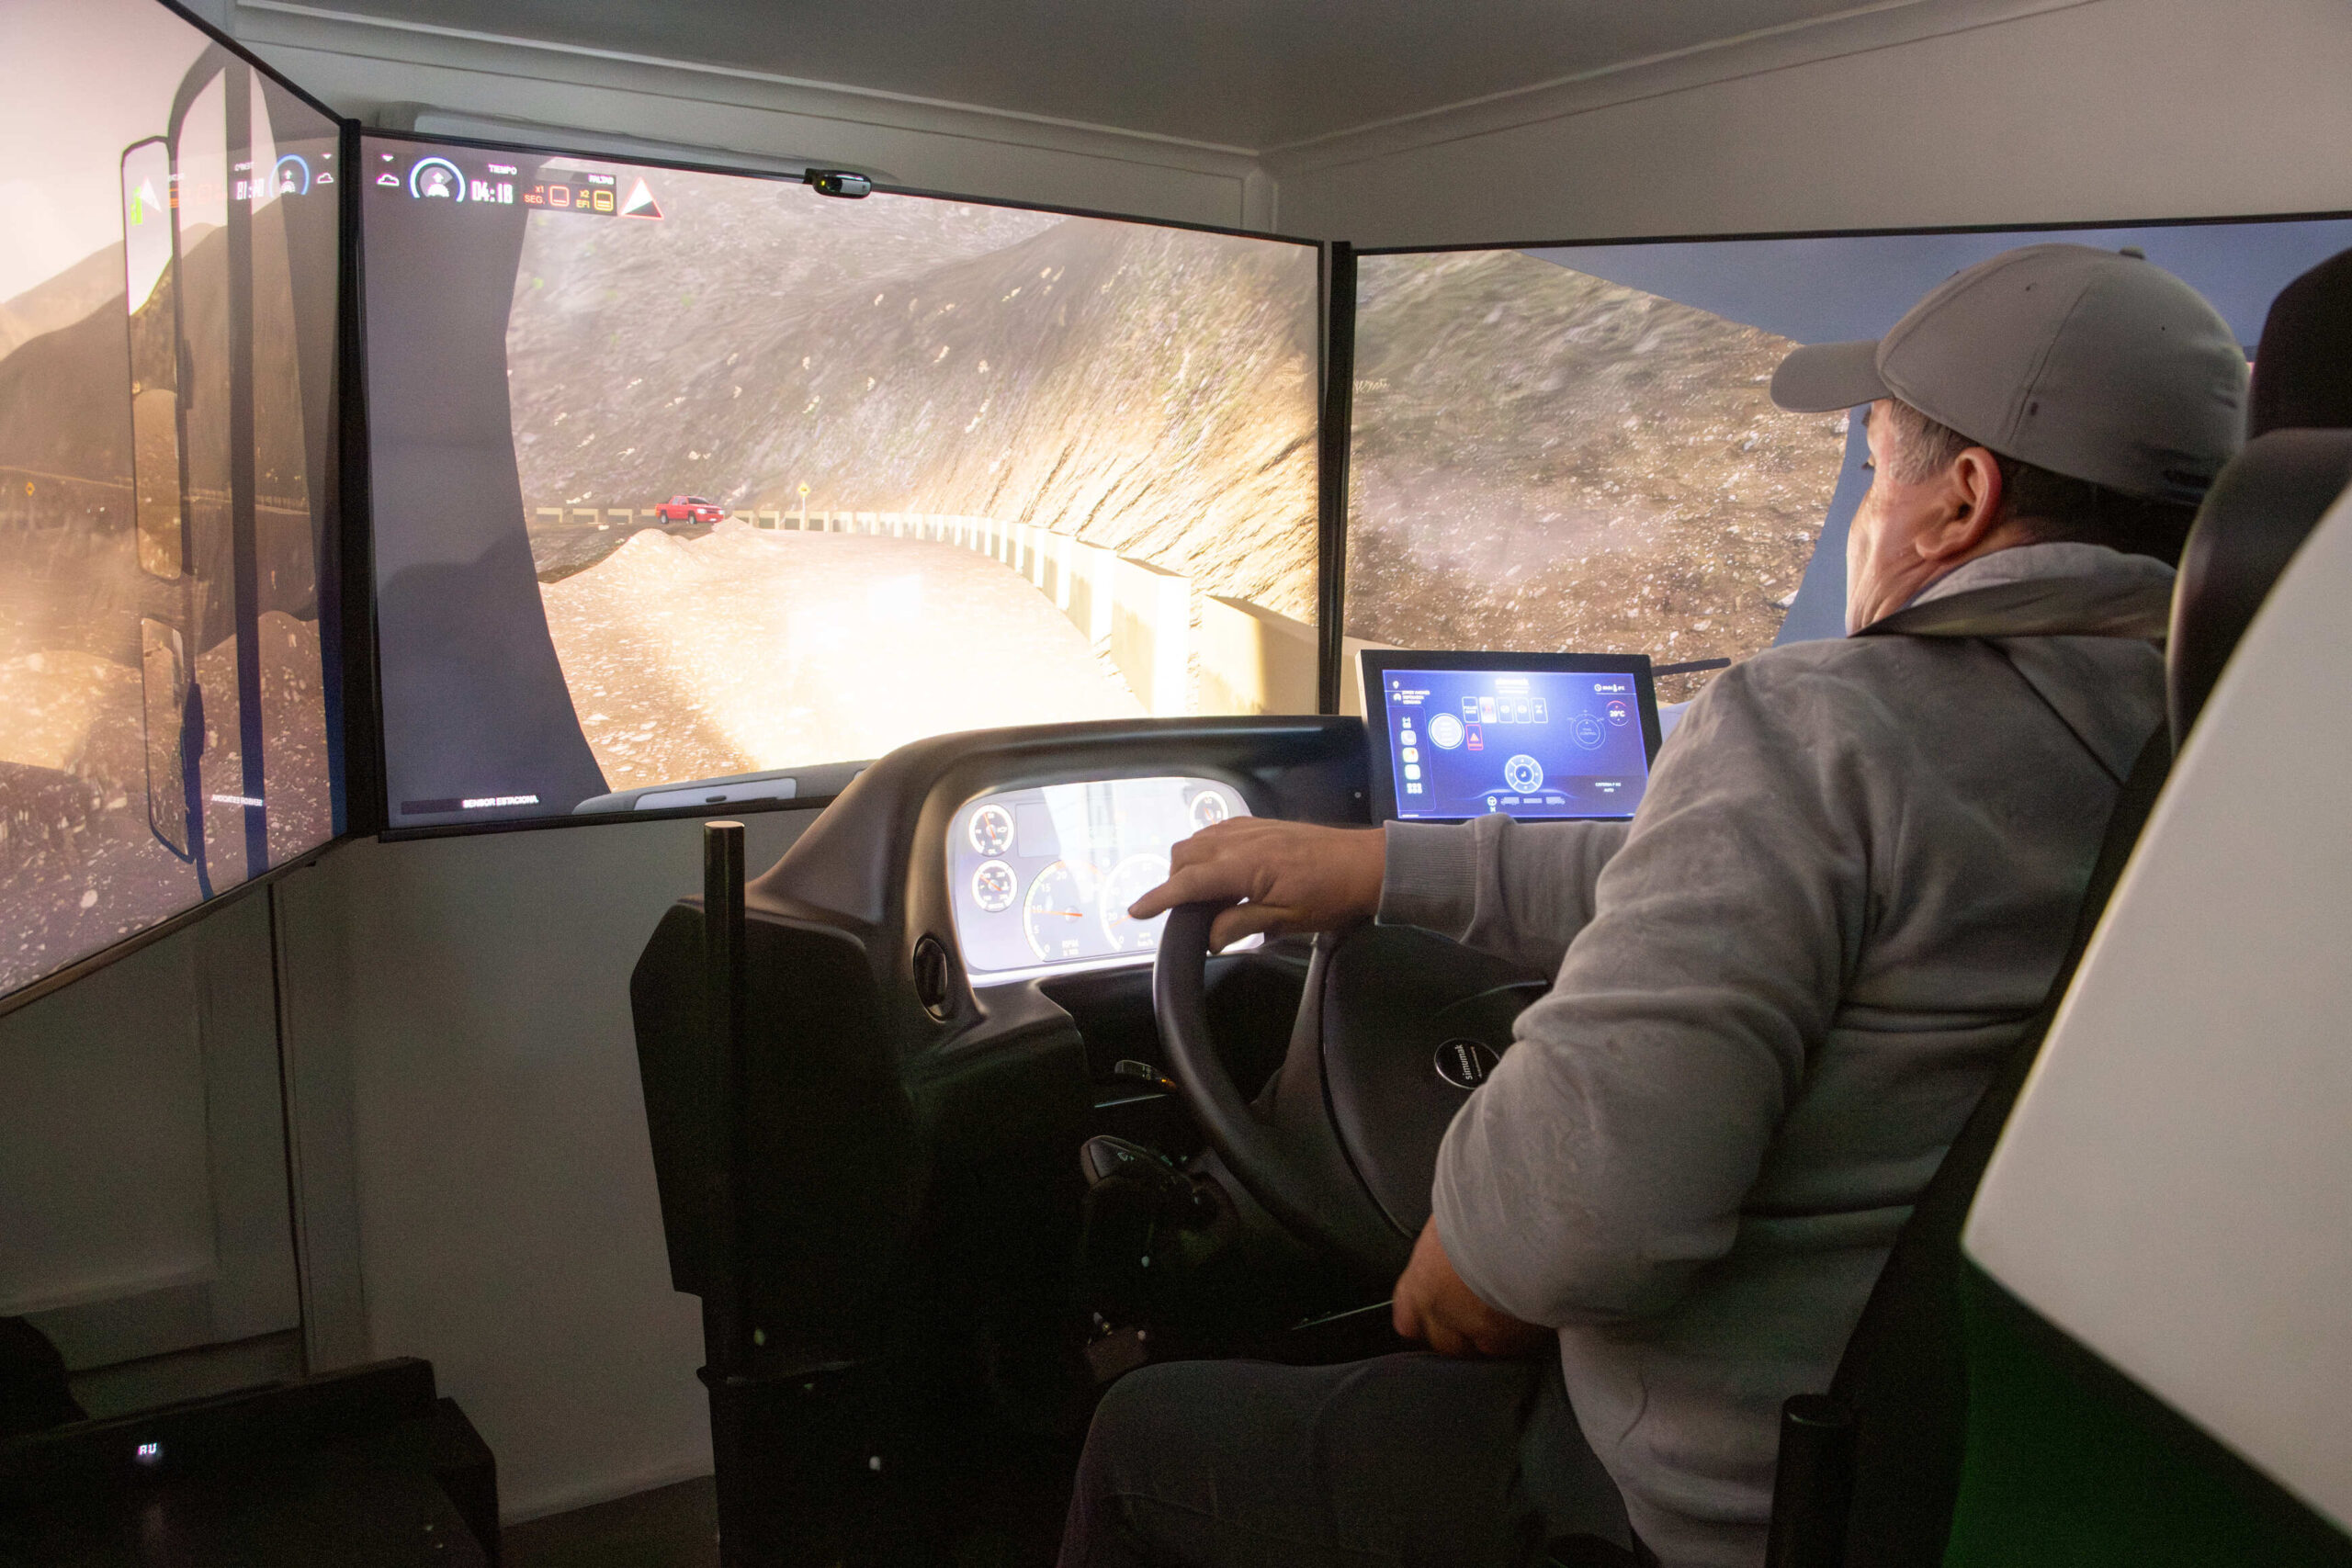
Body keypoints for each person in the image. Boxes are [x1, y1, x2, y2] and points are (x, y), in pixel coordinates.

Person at [1056, 244, 2249, 1568]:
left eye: (1873, 469)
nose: (1866, 511)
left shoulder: (1818, 724)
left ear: (1960, 501)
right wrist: (1385, 868)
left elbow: (1558, 1239)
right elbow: (1711, 872)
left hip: (1713, 1501)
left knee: (1145, 1436)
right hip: (1972, 1470)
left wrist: (1478, 1239)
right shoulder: (2216, 754)